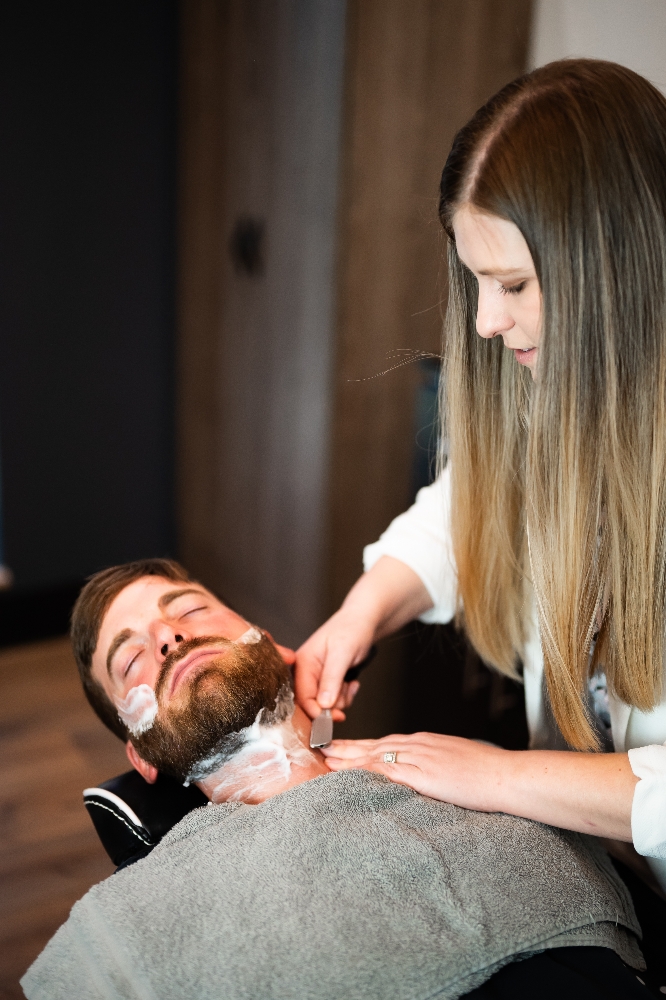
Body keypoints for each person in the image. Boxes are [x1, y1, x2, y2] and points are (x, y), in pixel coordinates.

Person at [295, 59, 666, 925]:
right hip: (593, 882)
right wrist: (362, 613)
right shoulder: (560, 397)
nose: (485, 323)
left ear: (617, 267)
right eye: (476, 283)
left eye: (514, 286)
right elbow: (475, 508)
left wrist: (495, 774)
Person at [21, 560, 650, 999]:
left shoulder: (481, 775)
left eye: (186, 610)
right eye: (131, 657)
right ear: (143, 761)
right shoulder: (127, 924)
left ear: (273, 646)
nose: (171, 637)